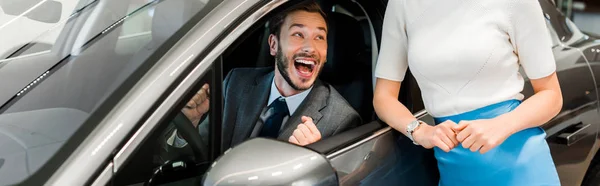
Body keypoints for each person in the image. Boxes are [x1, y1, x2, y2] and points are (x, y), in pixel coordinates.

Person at [373, 0, 563, 185]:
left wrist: (501, 125)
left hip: (519, 165)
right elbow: (384, 97)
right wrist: (419, 130)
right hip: (454, 167)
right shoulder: (402, 4)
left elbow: (551, 95)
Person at [161, 1, 361, 161]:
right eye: (298, 34)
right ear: (274, 45)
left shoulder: (342, 121)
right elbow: (195, 161)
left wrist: (311, 162)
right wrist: (191, 124)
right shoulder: (235, 83)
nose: (310, 47)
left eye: (319, 37)